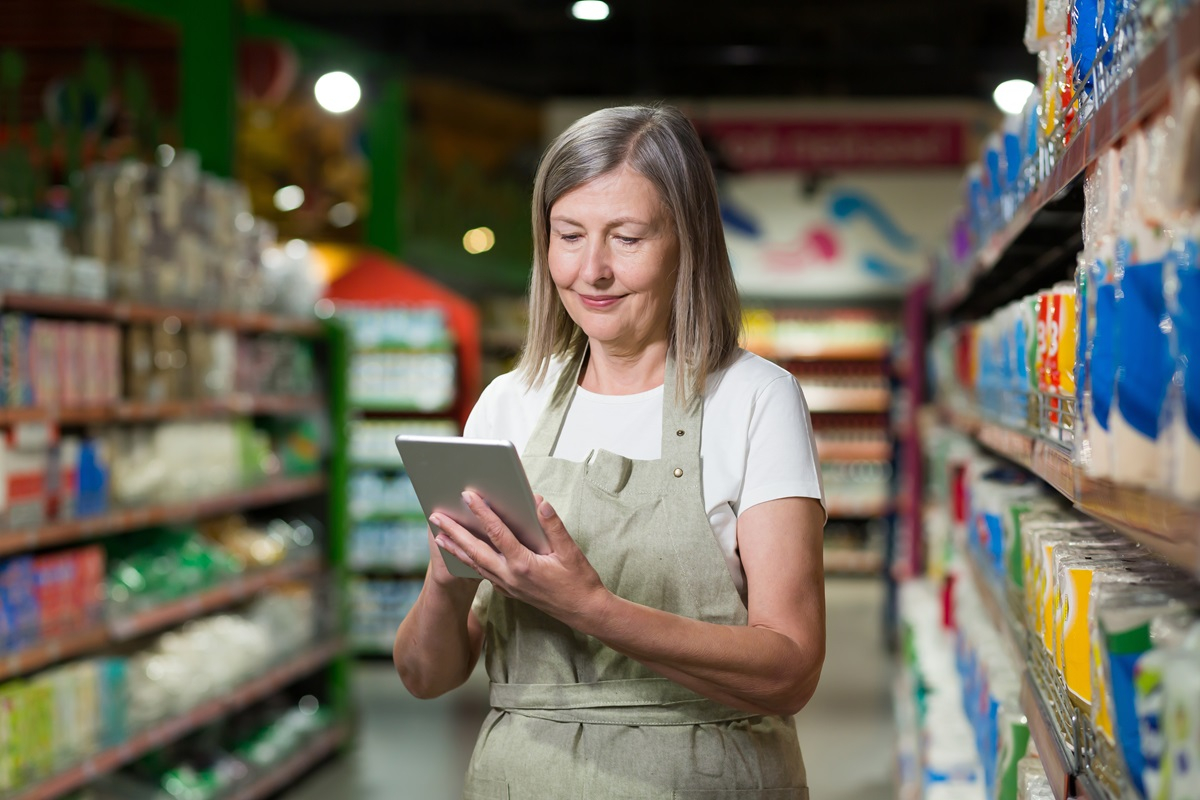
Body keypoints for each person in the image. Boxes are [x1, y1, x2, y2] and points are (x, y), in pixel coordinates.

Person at [394, 103, 826, 799]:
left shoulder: (753, 399)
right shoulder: (510, 404)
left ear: (687, 243)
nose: (591, 270)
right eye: (568, 235)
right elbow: (425, 676)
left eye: (626, 238)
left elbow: (791, 669)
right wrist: (447, 583)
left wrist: (591, 608)